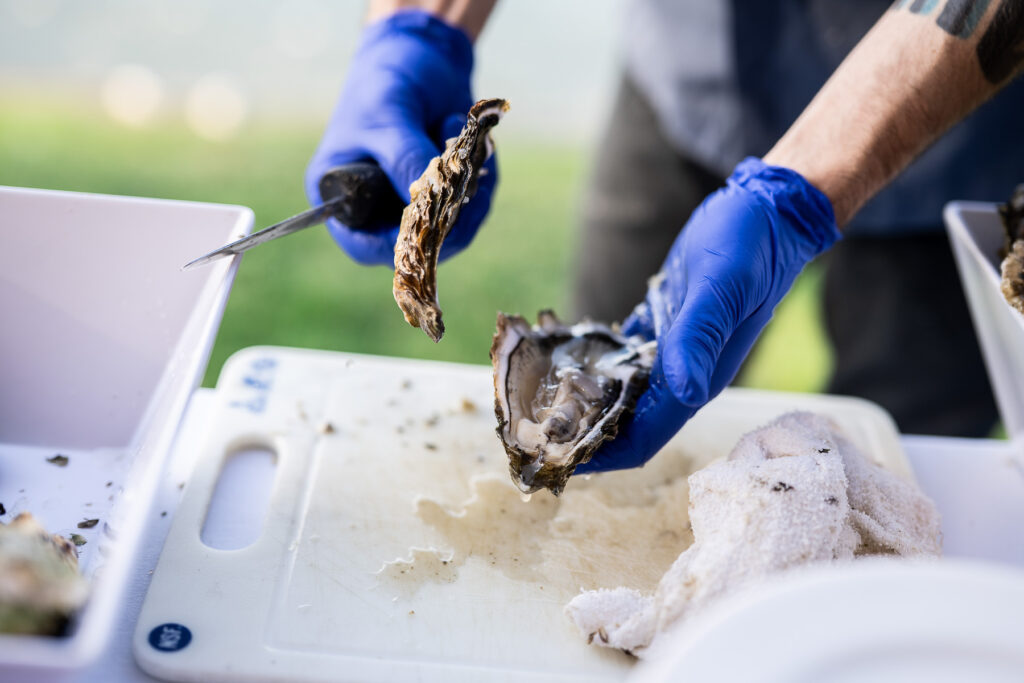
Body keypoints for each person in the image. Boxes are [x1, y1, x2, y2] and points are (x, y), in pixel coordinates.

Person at [305, 0, 1024, 474]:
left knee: (889, 470)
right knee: (618, 397)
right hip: (688, 70)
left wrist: (795, 195)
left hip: (957, 134)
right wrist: (421, 27)